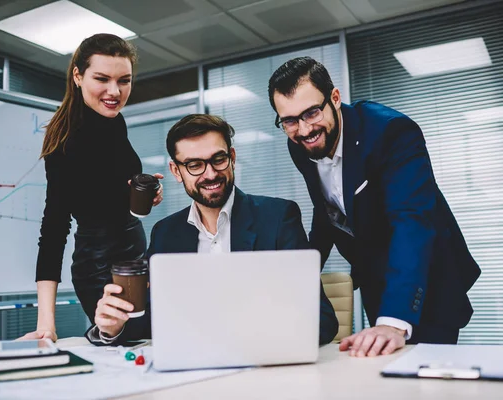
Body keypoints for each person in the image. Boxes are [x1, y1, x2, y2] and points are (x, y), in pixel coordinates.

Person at [267, 56, 481, 357]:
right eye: (289, 120)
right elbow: (326, 208)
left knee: (428, 380)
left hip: (426, 279)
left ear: (335, 99)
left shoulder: (390, 132)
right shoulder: (301, 145)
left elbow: (412, 221)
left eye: (312, 112)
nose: (303, 130)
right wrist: (298, 272)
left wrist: (394, 321)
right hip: (375, 279)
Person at [87, 114, 339, 345]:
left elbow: (322, 320)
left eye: (218, 159)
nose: (210, 174)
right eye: (194, 165)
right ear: (176, 171)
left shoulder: (277, 218)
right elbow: (149, 321)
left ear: (232, 157)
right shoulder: (166, 234)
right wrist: (113, 326)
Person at [20, 34, 163, 342]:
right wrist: (47, 324)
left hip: (135, 249)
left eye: (124, 80)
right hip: (98, 263)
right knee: (124, 336)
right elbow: (55, 227)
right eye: (102, 79)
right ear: (77, 75)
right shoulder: (66, 142)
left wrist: (142, 192)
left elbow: (106, 189)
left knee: (155, 337)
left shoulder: (115, 121)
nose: (115, 91)